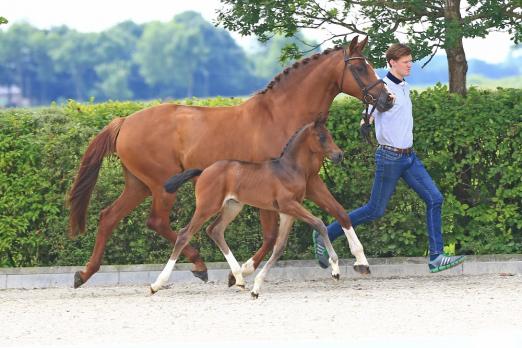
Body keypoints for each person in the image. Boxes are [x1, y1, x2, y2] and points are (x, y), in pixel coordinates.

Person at [313, 43, 465, 273]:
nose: (410, 65)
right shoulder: (382, 88)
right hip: (390, 158)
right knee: (375, 210)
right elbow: (367, 116)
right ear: (392, 63)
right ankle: (325, 233)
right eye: (406, 62)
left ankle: (436, 257)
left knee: (435, 199)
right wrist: (365, 124)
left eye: (410, 61)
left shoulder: (404, 86)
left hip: (409, 157)